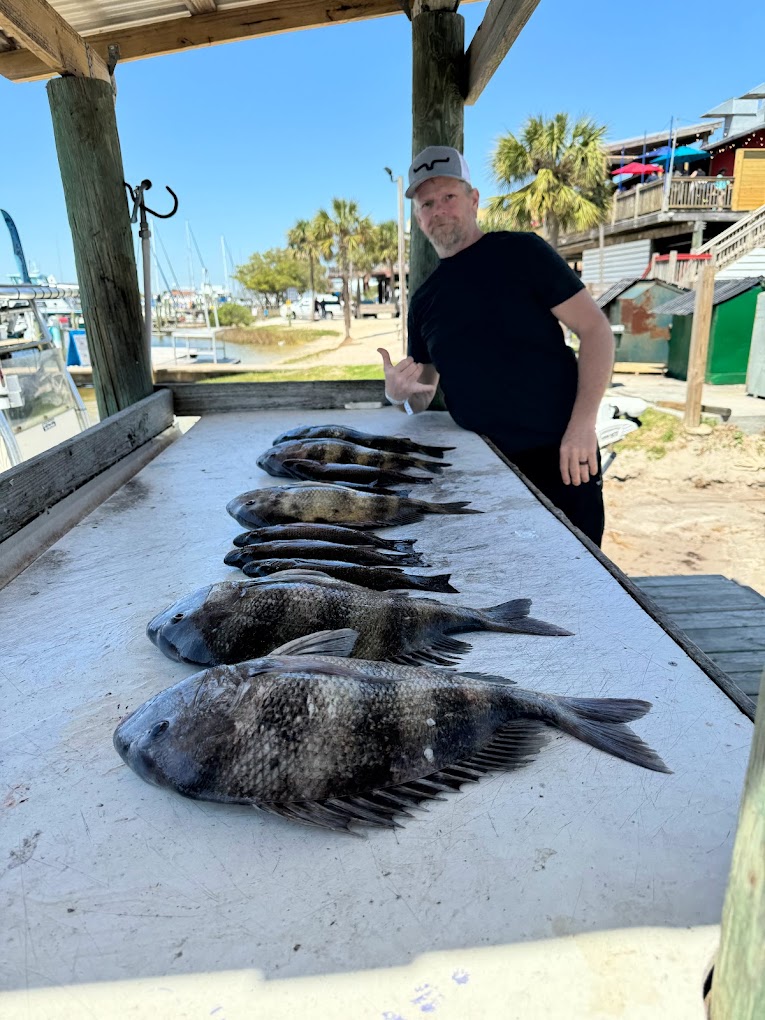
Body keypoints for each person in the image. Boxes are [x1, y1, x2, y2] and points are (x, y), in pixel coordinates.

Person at [377, 145, 615, 547]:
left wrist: (582, 427)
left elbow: (596, 331)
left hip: (560, 453)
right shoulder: (424, 300)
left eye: (449, 197)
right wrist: (396, 393)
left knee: (578, 575)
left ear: (473, 200)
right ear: (418, 220)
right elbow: (423, 393)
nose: (439, 210)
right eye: (427, 204)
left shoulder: (523, 252)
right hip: (479, 464)